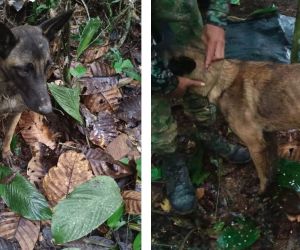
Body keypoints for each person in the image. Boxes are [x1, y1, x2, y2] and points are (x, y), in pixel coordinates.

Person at [152, 0, 251, 214]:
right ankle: (171, 159)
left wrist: (216, 17)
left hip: (183, 22)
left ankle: (208, 133)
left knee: (203, 83)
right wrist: (166, 82)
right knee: (155, 119)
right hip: (148, 42)